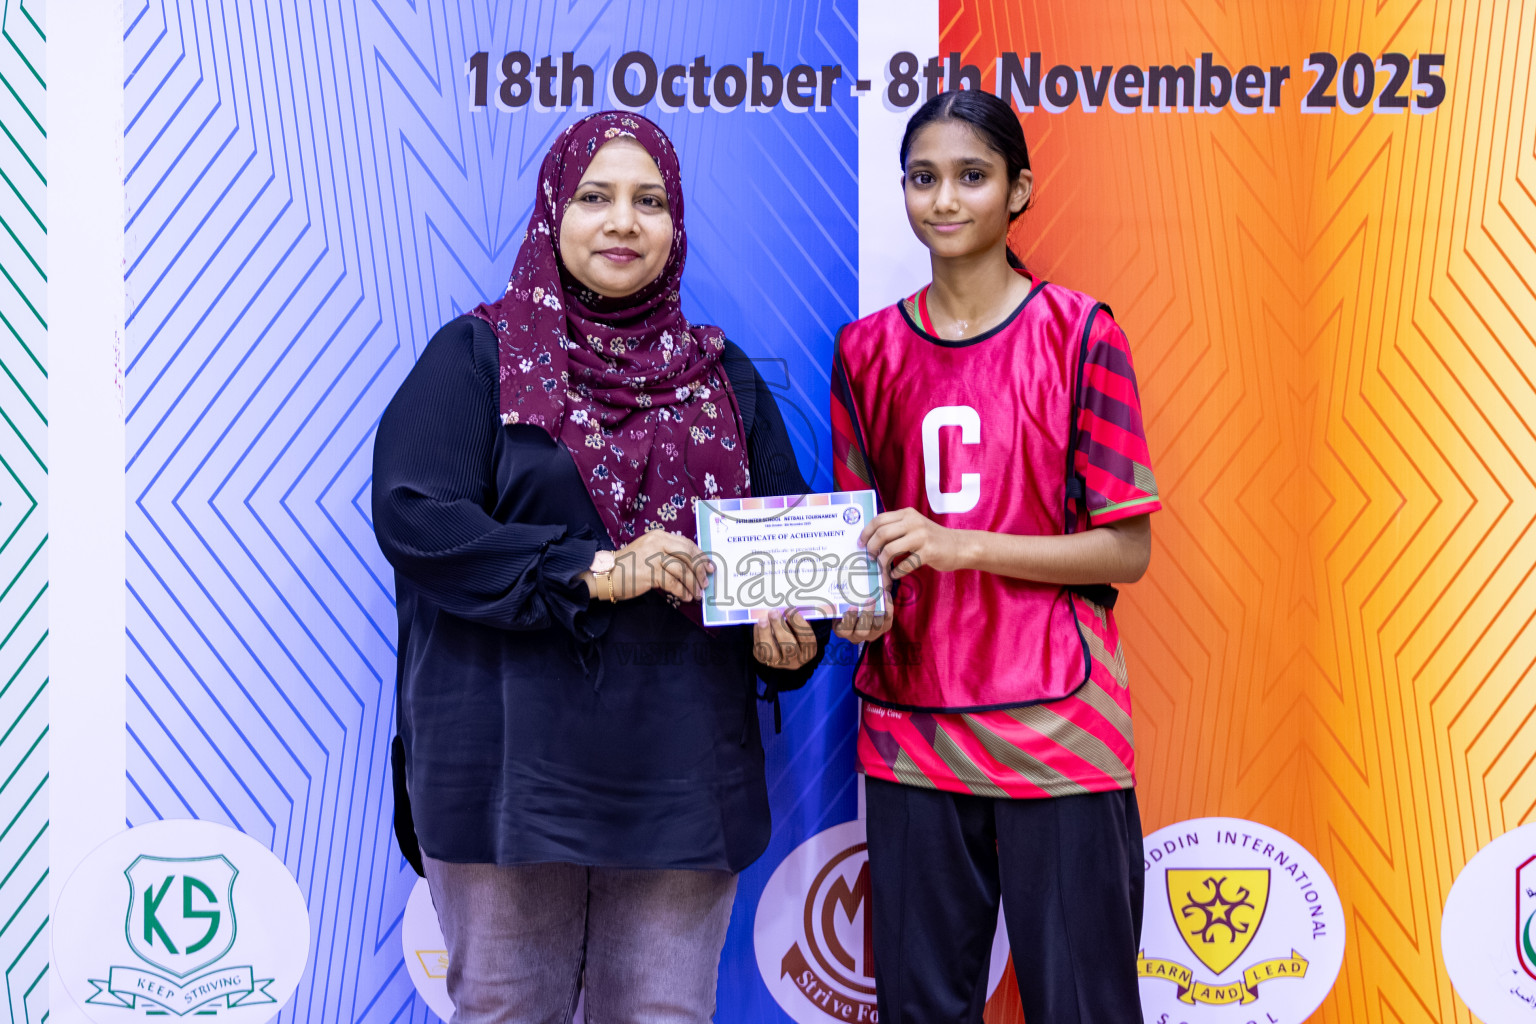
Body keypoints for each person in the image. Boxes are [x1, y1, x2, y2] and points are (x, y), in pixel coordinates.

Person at [372, 111, 833, 1024]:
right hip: (507, 775)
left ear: (676, 225)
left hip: (679, 774)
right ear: (553, 213)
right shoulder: (481, 357)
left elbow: (786, 570)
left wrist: (795, 645)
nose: (624, 221)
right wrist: (596, 569)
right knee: (507, 1012)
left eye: (649, 200)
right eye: (596, 197)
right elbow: (415, 517)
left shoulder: (724, 378)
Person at [829, 89, 1160, 1024]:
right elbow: (868, 548)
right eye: (924, 178)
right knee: (920, 1009)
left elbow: (1127, 549)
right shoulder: (864, 353)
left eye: (972, 177)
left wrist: (959, 544)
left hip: (1058, 734)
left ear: (1019, 190)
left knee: (1084, 1006)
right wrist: (862, 601)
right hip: (909, 732)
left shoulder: (1081, 333)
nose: (944, 200)